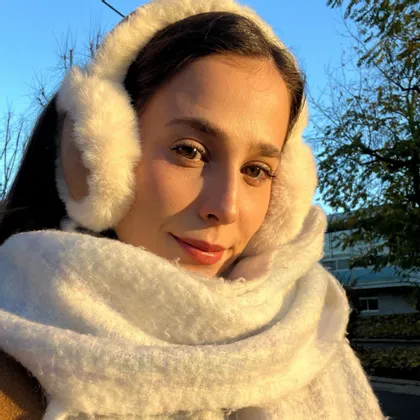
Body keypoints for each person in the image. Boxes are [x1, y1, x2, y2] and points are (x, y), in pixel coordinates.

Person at [0, 0, 386, 419]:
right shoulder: (11, 373)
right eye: (190, 151)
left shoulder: (313, 334)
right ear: (97, 154)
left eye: (256, 170)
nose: (226, 207)